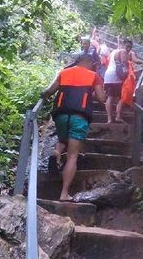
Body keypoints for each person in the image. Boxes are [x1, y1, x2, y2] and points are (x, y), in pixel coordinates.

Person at [41, 53, 105, 201]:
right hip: (79, 117)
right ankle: (64, 193)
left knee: (62, 139)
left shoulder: (64, 72)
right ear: (88, 62)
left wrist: (43, 96)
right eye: (92, 64)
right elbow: (102, 99)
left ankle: (56, 153)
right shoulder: (94, 76)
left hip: (61, 115)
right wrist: (94, 94)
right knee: (72, 156)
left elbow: (48, 91)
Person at [103, 39, 131, 123]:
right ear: (123, 45)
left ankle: (109, 118)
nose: (128, 49)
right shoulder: (123, 51)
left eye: (130, 47)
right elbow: (123, 62)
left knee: (110, 97)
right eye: (127, 46)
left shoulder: (114, 51)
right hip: (116, 76)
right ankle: (118, 116)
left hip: (108, 75)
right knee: (121, 97)